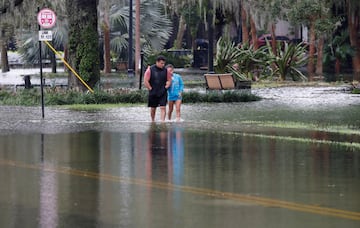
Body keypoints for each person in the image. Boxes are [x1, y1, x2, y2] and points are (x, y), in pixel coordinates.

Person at [144, 55, 172, 122]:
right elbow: (145, 80)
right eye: (161, 63)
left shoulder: (166, 70)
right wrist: (150, 88)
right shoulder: (150, 70)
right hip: (153, 91)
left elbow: (169, 79)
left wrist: (167, 85)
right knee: (153, 108)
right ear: (157, 62)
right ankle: (153, 120)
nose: (163, 65)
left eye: (164, 63)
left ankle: (162, 121)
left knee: (163, 107)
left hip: (163, 91)